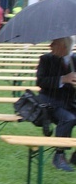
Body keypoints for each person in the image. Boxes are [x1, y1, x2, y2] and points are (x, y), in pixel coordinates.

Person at [36, 36, 76, 172]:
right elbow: (40, 82)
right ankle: (59, 156)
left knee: (70, 115)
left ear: (64, 46)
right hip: (49, 101)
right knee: (68, 118)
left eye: (54, 43)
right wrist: (63, 79)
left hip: (69, 102)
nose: (50, 46)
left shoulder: (74, 60)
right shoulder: (46, 59)